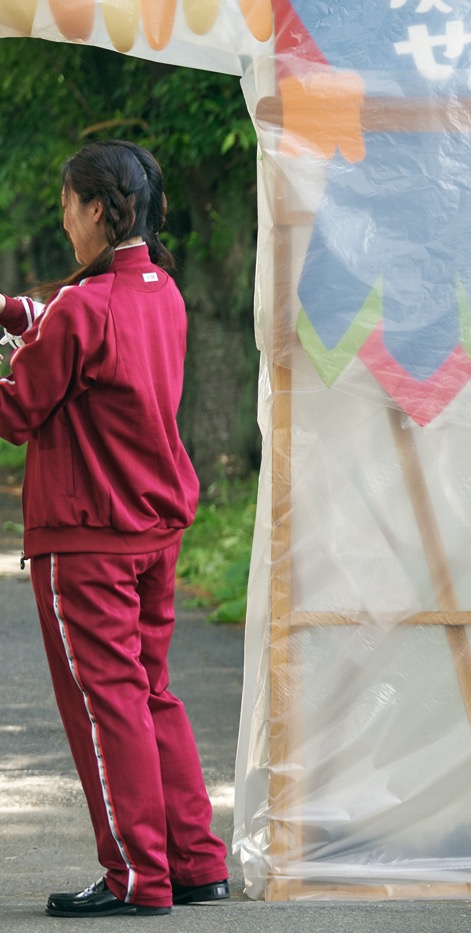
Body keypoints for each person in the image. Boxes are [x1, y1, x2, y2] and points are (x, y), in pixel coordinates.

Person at [0, 140, 230, 917]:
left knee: (107, 707)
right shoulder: (161, 291)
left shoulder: (82, 308)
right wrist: (11, 311)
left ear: (98, 209)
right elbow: (68, 323)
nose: (64, 220)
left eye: (68, 205)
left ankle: (136, 874)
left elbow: (17, 410)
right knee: (150, 693)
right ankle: (194, 861)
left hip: (85, 536)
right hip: (151, 529)